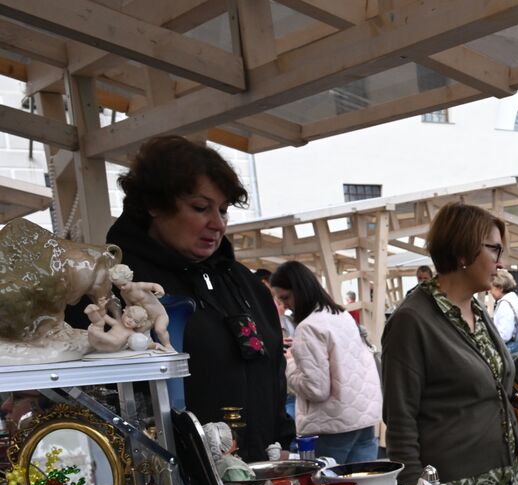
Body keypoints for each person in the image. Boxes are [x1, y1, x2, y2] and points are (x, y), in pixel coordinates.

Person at [79, 135, 292, 454]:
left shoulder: (245, 285)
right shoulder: (114, 288)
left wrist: (284, 444)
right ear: (154, 205)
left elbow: (274, 373)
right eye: (200, 208)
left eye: (223, 210)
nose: (218, 224)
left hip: (264, 475)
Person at [382, 203, 518, 485]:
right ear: (462, 253)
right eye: (495, 250)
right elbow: (400, 420)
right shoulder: (411, 320)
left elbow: (488, 383)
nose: (501, 263)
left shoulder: (475, 308)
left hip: (508, 483)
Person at [270, 260, 383, 464]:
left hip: (331, 424)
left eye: (286, 297)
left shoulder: (308, 327)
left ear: (300, 290)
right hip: (364, 419)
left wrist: (290, 363)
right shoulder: (341, 315)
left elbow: (316, 389)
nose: (285, 305)